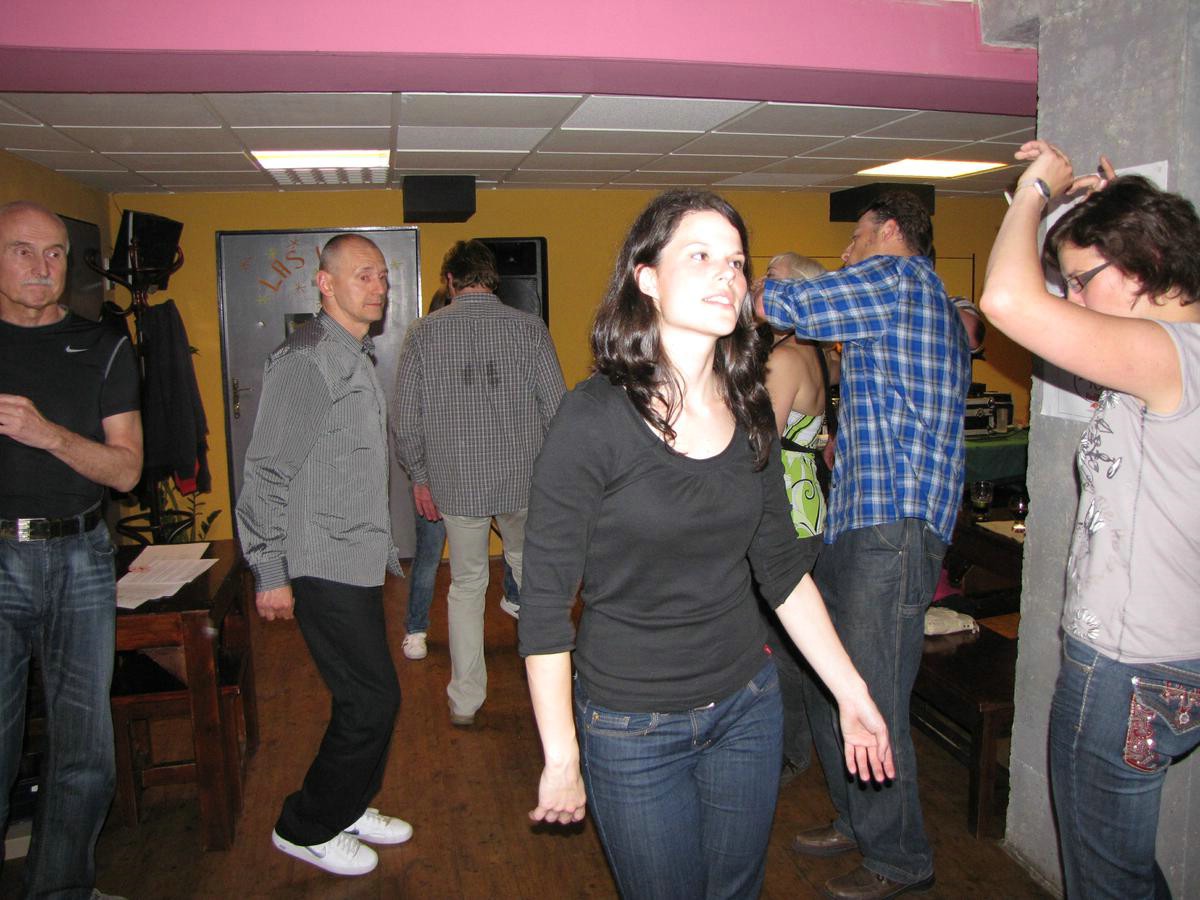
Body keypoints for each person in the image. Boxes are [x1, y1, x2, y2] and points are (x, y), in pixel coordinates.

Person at [520, 189, 893, 900]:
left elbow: (781, 569)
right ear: (647, 279)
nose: (728, 273)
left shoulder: (750, 407)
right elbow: (543, 604)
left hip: (746, 707)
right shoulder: (591, 419)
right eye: (700, 256)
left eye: (737, 261)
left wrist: (851, 693)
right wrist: (561, 754)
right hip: (631, 723)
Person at [980, 140, 1200, 900]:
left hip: (1127, 668)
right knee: (1123, 870)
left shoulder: (1163, 353)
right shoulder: (1173, 354)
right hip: (1168, 656)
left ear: (1144, 266)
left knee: (1103, 880)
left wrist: (1035, 190)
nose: (1070, 299)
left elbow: (1005, 303)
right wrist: (1101, 211)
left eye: (1081, 280)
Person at [759, 190, 970, 899]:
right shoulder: (907, 303)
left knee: (871, 695)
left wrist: (733, 279)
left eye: (854, 238)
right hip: (866, 524)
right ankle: (859, 820)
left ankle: (900, 857)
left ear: (890, 231)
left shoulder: (899, 278)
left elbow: (790, 303)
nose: (848, 252)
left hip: (892, 531)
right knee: (833, 683)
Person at [236, 233, 410, 877]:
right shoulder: (308, 360)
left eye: (382, 276)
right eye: (363, 275)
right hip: (321, 561)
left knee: (366, 697)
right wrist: (270, 572)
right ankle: (305, 826)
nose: (378, 287)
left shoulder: (349, 354)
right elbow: (267, 471)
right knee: (372, 701)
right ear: (326, 283)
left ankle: (347, 805)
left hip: (355, 557)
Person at [0, 201, 142, 899]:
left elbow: (127, 471)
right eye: (22, 250)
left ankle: (60, 890)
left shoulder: (104, 346)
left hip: (81, 558)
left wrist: (47, 434)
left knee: (85, 752)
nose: (41, 266)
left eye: (54, 252)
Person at [393, 240, 564, 725]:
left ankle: (465, 701)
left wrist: (420, 476)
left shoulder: (423, 333)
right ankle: (550, 691)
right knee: (533, 579)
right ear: (492, 279)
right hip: (524, 481)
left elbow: (404, 420)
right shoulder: (530, 329)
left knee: (467, 585)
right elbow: (558, 410)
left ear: (450, 281)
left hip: (456, 483)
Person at [401, 287, 521, 662]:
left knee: (516, 545)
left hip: (487, 474)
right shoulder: (425, 352)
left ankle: (515, 596)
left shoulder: (482, 357)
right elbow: (408, 423)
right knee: (429, 556)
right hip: (439, 479)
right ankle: (416, 628)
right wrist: (421, 477)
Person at [752, 252, 829, 784]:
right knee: (787, 636)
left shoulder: (783, 358)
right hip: (807, 504)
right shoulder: (814, 352)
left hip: (786, 510)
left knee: (778, 643)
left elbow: (762, 441)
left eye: (773, 279)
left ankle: (789, 750)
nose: (761, 285)